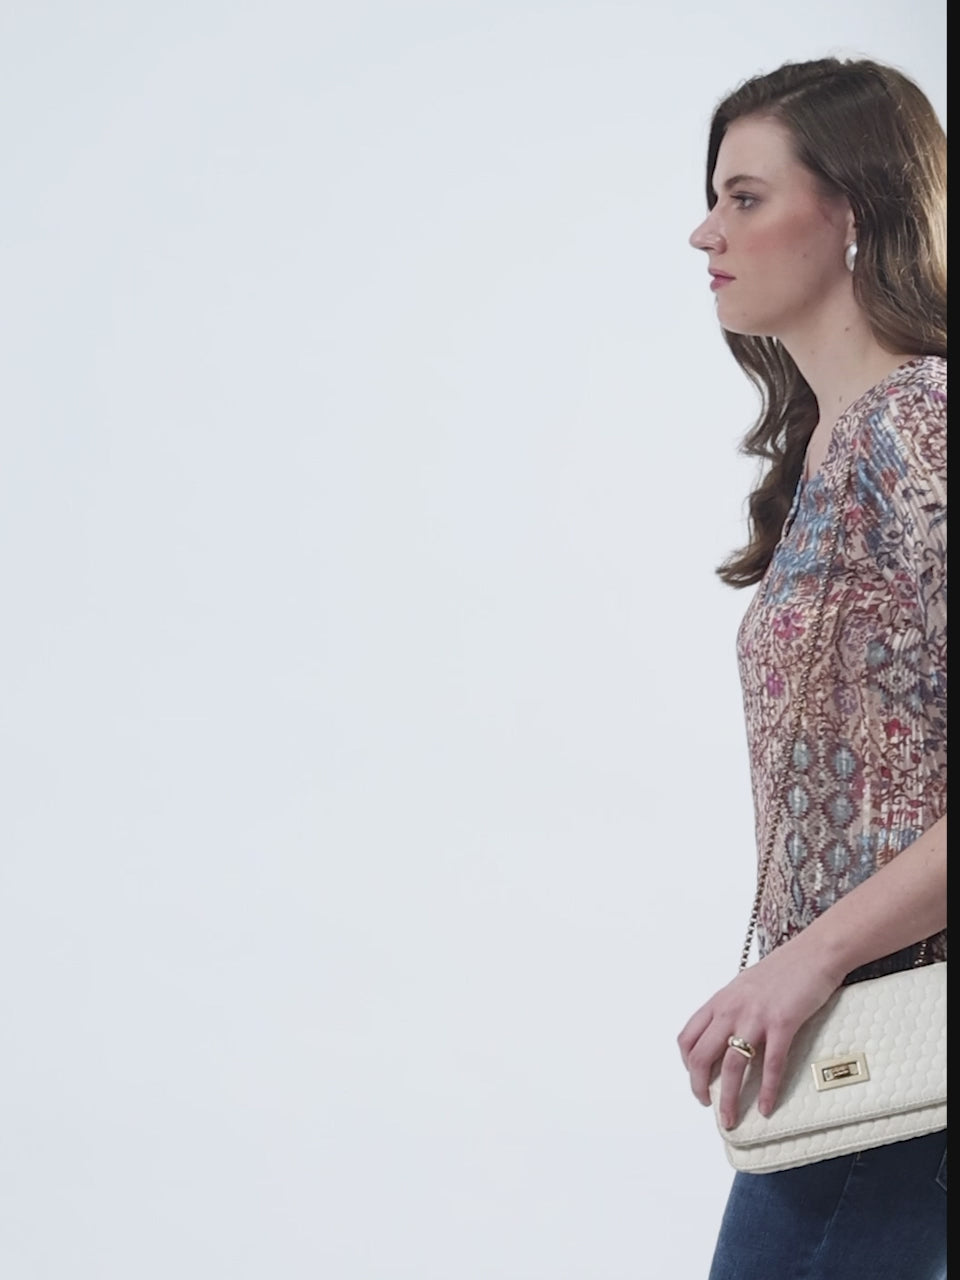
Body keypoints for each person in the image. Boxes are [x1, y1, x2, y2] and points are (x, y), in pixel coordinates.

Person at [675, 57, 947, 1279]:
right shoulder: (830, 445)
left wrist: (812, 954)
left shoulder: (920, 422)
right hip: (855, 1054)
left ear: (855, 210)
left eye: (744, 197)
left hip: (905, 1046)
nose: (706, 234)